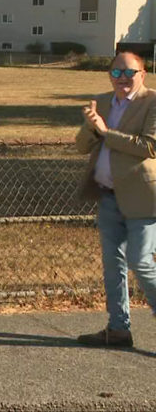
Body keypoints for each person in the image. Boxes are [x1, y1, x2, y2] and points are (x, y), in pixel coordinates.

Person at [75, 51, 156, 348]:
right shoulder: (102, 101)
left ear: (142, 74)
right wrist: (90, 127)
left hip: (143, 199)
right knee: (113, 265)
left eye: (129, 73)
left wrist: (106, 131)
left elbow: (149, 146)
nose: (122, 79)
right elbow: (82, 146)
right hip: (109, 197)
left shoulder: (153, 101)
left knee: (142, 262)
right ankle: (118, 329)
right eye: (116, 73)